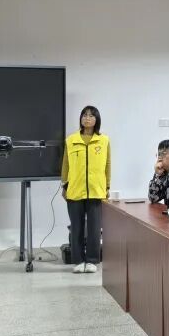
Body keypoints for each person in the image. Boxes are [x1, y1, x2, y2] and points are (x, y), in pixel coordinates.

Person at [62, 105, 110, 274]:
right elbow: (65, 165)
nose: (87, 118)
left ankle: (92, 260)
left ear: (97, 120)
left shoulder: (104, 140)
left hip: (96, 190)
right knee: (76, 226)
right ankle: (78, 260)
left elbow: (107, 165)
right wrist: (64, 185)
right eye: (84, 115)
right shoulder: (71, 140)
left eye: (91, 115)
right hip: (75, 189)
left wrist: (107, 186)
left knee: (94, 228)